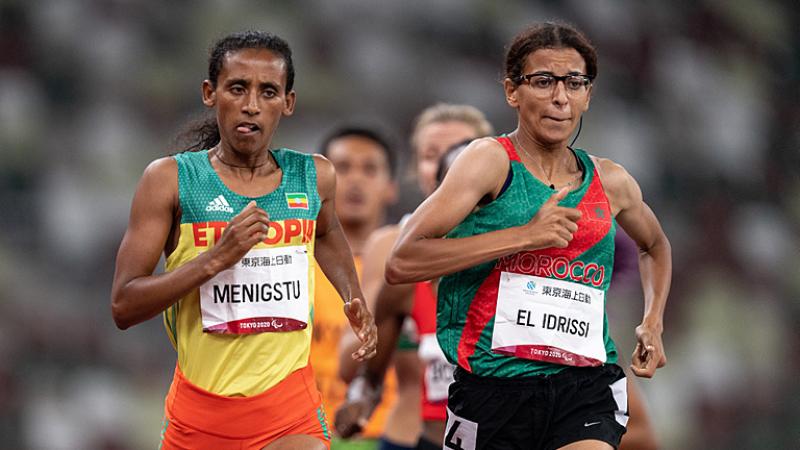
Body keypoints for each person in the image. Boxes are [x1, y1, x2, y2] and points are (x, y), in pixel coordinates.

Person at [385, 21, 671, 450]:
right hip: (493, 389)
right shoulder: (489, 161)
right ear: (511, 91)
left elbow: (655, 245)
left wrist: (652, 321)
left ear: (588, 95)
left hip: (584, 385)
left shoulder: (611, 181)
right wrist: (524, 236)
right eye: (543, 81)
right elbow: (402, 261)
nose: (560, 97)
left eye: (574, 83)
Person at [110, 31, 377, 450]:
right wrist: (216, 259)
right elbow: (124, 305)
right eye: (237, 88)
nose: (251, 104)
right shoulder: (169, 180)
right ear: (209, 93)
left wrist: (352, 295)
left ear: (288, 103)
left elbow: (326, 231)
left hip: (289, 411)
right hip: (199, 415)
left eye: (268, 91)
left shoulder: (314, 176)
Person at [335, 104, 494, 450]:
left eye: (465, 152)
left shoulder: (516, 243)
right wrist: (387, 335)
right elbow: (352, 364)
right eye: (431, 154)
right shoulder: (393, 249)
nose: (447, 165)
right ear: (415, 166)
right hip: (410, 435)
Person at [309, 126, 406, 450]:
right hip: (303, 432)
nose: (355, 180)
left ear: (391, 186)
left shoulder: (409, 271)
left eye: (369, 169)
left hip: (384, 434)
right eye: (343, 167)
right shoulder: (293, 263)